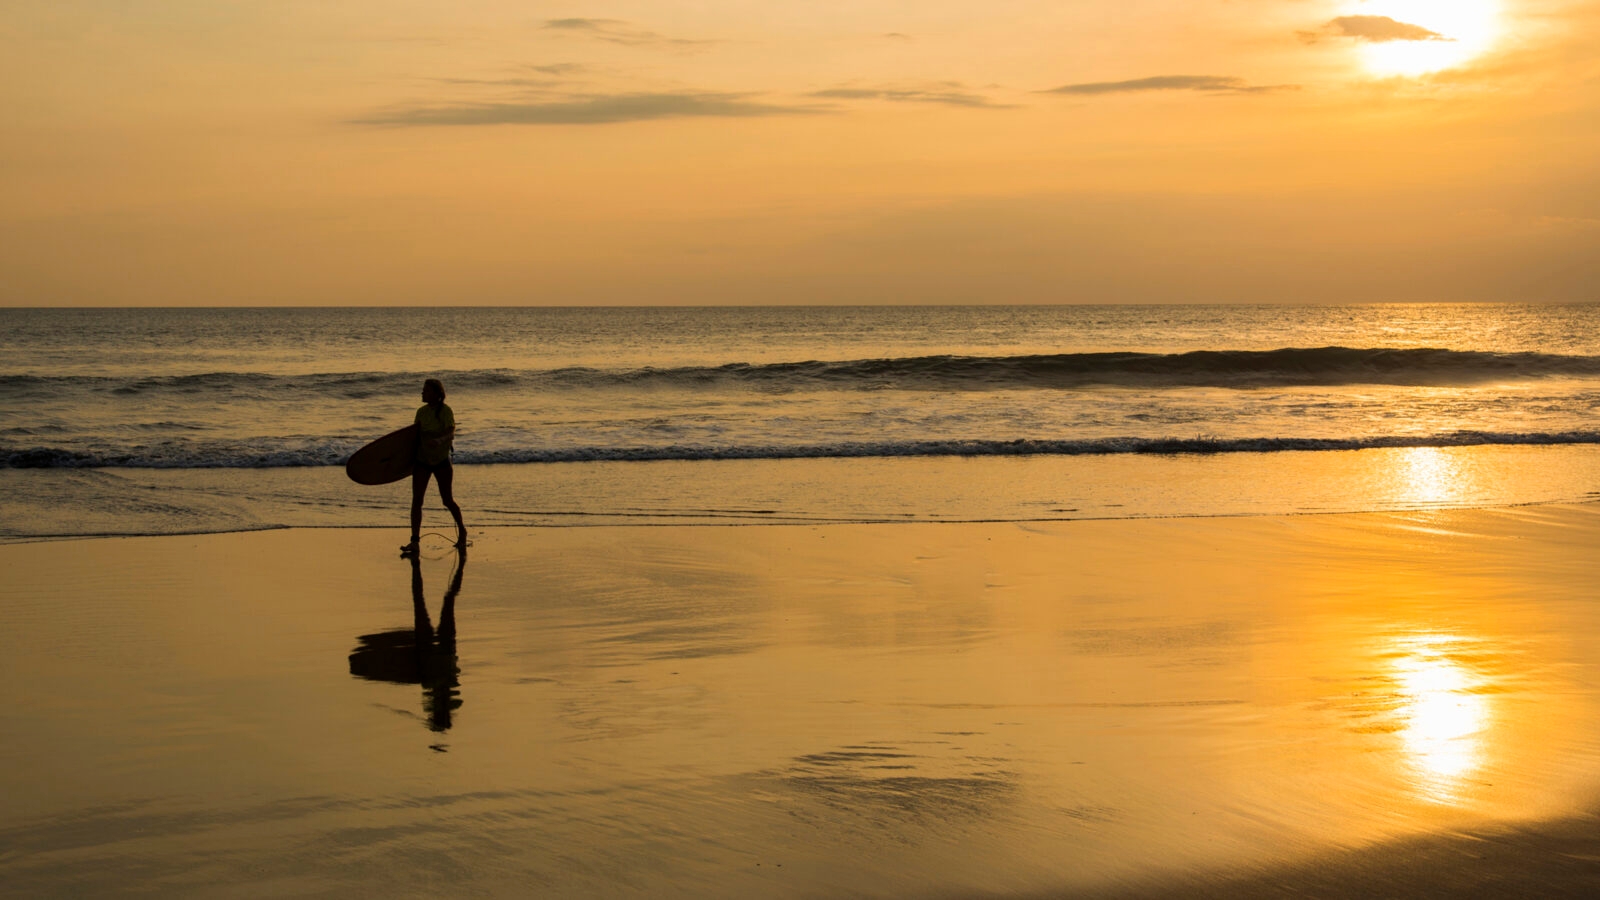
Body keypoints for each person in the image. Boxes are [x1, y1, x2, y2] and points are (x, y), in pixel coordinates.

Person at [400, 378, 467, 555]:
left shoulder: (445, 411)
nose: (422, 393)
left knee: (447, 500)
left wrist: (439, 440)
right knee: (417, 501)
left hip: (441, 462)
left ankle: (462, 532)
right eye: (423, 390)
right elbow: (413, 437)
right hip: (422, 461)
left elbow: (451, 431)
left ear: (436, 394)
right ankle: (414, 541)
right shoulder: (421, 412)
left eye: (426, 391)